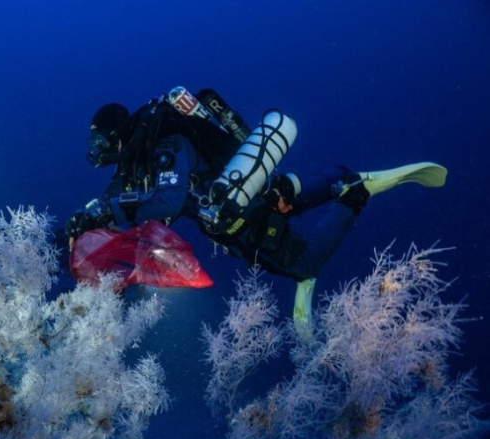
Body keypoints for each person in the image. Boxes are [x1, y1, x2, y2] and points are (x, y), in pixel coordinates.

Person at [65, 88, 447, 330]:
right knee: (282, 201)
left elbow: (168, 202)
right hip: (244, 204)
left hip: (241, 214)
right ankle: (338, 178)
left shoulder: (168, 146)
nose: (97, 149)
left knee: (302, 262)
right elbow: (114, 198)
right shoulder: (138, 165)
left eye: (100, 140)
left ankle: (356, 193)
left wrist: (105, 212)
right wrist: (82, 221)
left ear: (118, 134)